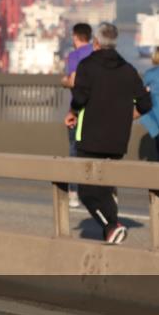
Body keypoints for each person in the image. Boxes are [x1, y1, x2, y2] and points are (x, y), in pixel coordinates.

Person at [64, 23, 152, 245]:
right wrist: (127, 117)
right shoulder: (129, 70)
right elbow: (146, 103)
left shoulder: (87, 65)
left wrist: (73, 112)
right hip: (117, 140)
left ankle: (112, 225)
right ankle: (112, 227)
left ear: (96, 42)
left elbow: (80, 98)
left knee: (85, 189)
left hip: (90, 137)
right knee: (104, 184)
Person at [61, 23, 93, 208]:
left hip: (79, 109)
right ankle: (108, 192)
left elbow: (73, 80)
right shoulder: (96, 53)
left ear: (75, 37)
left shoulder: (75, 56)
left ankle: (73, 192)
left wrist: (64, 81)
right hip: (98, 109)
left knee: (74, 148)